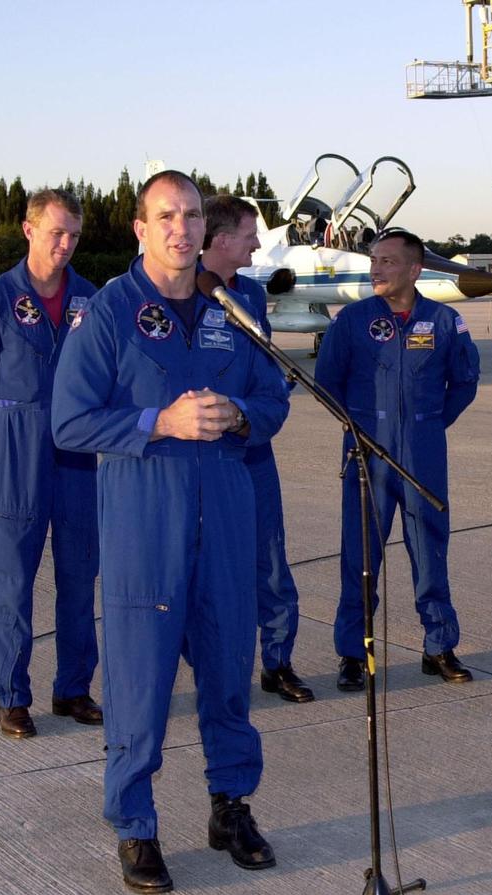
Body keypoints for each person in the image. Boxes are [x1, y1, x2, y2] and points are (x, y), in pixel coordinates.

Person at [51, 171, 290, 895]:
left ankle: (230, 806)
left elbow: (274, 395)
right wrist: (159, 421)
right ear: (141, 228)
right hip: (144, 523)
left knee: (226, 671)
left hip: (224, 510)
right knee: (140, 683)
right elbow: (69, 419)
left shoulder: (236, 305)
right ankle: (136, 824)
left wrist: (241, 414)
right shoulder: (110, 312)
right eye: (166, 216)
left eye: (190, 215)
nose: (181, 229)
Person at [0, 188, 101, 739]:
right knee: (13, 577)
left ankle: (72, 689)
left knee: (78, 576)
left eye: (73, 235)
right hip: (18, 441)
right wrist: (3, 424)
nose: (65, 244)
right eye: (56, 232)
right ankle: (12, 696)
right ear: (29, 230)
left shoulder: (91, 299)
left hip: (78, 447)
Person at [314, 229, 480, 691]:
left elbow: (464, 382)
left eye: (387, 261)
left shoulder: (445, 321)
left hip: (423, 453)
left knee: (429, 550)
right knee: (360, 555)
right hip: (367, 453)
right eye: (374, 261)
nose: (376, 270)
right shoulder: (351, 320)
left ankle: (439, 645)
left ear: (414, 269)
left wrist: (428, 425)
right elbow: (327, 382)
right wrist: (362, 426)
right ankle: (352, 653)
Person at [200, 195, 313, 704]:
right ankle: (217, 669)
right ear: (221, 239)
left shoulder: (249, 294)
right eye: (250, 235)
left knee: (269, 562)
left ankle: (277, 661)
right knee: (203, 569)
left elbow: (266, 371)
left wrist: (256, 414)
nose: (258, 244)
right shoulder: (179, 293)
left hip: (251, 448)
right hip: (199, 454)